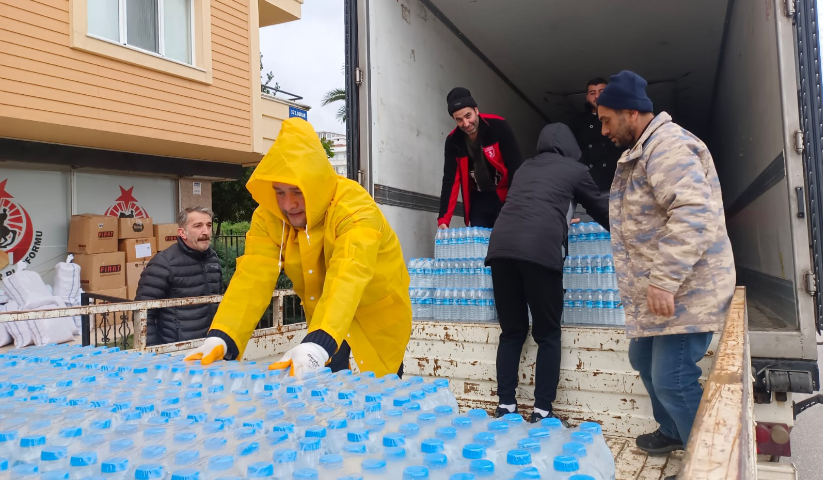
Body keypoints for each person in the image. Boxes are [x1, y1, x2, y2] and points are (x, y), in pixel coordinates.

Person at [184, 118, 412, 377]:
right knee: (330, 393)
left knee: (379, 392)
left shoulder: (355, 208)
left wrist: (319, 342)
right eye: (279, 192)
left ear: (317, 184)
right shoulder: (269, 217)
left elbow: (350, 272)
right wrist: (223, 336)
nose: (288, 204)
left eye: (297, 191)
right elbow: (253, 276)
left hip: (375, 321)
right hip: (325, 320)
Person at [597, 71, 736, 454]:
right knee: (642, 357)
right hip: (664, 293)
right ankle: (674, 430)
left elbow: (693, 213)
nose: (603, 131)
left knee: (672, 379)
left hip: (687, 289)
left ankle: (706, 462)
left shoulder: (668, 147)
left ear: (631, 113)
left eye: (607, 120)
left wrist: (663, 280)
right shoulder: (645, 150)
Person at [485, 123, 608, 424]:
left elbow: (535, 203)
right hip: (539, 252)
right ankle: (542, 411)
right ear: (571, 148)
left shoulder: (525, 168)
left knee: (512, 331)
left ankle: (506, 406)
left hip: (500, 250)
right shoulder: (576, 170)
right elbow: (603, 210)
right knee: (548, 333)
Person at [438, 87, 523, 229]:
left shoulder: (499, 126)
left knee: (502, 238)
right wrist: (443, 219)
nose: (466, 124)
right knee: (478, 240)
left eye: (468, 116)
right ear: (454, 119)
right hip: (478, 200)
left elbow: (515, 165)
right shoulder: (453, 141)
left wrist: (515, 202)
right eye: (459, 120)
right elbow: (450, 180)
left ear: (476, 110)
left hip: (504, 196)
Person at [135, 207, 222, 346]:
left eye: (209, 225)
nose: (206, 231)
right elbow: (144, 312)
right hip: (177, 349)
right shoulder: (163, 263)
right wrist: (152, 352)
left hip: (211, 344)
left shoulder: (213, 259)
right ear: (182, 232)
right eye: (198, 226)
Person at [572, 77, 624, 193]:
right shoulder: (578, 121)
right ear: (587, 97)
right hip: (590, 185)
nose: (597, 96)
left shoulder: (621, 117)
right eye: (592, 93)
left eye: (601, 92)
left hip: (617, 183)